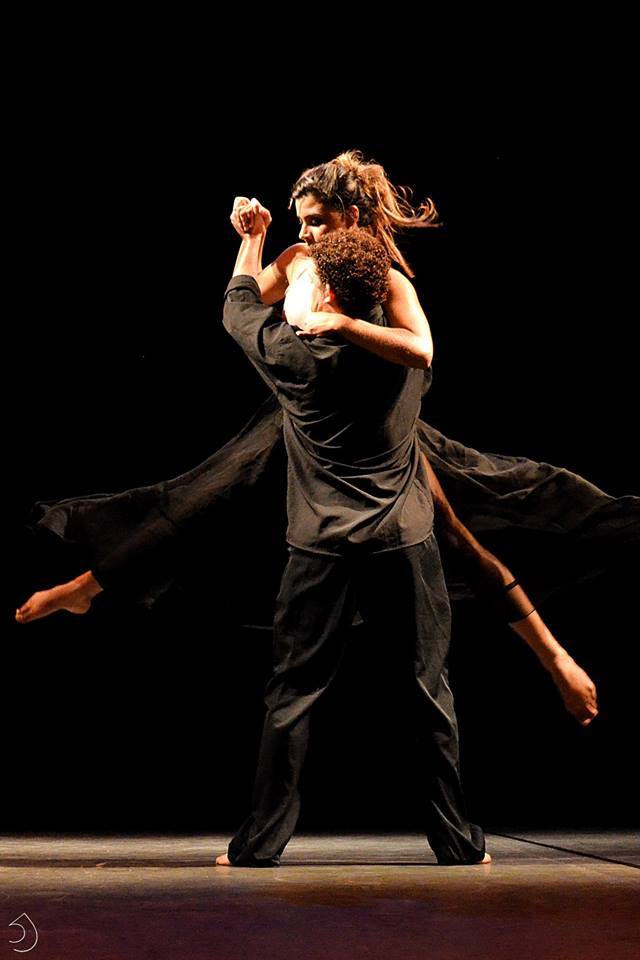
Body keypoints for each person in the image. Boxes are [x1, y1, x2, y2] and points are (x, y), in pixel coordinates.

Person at [17, 151, 629, 727]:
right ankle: (87, 587)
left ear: (352, 217)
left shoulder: (385, 278)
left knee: (463, 530)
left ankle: (557, 659)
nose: (306, 232)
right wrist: (254, 241)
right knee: (207, 496)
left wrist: (337, 322)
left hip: (383, 437)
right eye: (301, 221)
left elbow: (419, 351)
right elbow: (244, 302)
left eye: (316, 221)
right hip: (307, 420)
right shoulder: (297, 258)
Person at [216, 216, 487, 866]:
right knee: (427, 689)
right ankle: (456, 842)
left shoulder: (290, 354)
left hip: (321, 545)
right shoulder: (402, 358)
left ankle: (259, 845)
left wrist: (252, 240)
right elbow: (417, 341)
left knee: (293, 692)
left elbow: (238, 305)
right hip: (403, 538)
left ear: (330, 295)